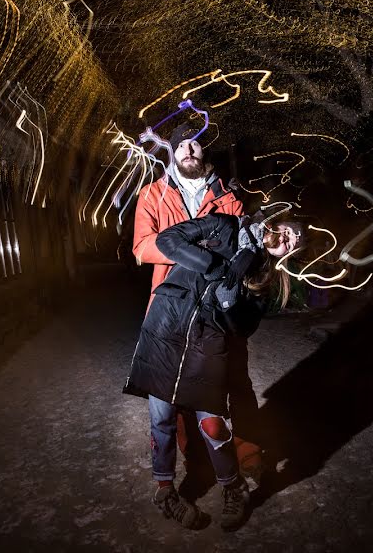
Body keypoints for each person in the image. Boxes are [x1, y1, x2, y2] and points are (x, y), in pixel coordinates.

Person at [123, 212, 301, 531]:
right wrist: (216, 267)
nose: (288, 241)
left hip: (209, 342)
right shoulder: (224, 225)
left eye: (294, 243)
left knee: (212, 423)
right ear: (275, 223)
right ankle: (165, 493)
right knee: (161, 418)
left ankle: (233, 487)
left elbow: (244, 327)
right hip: (167, 327)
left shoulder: (267, 276)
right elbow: (167, 240)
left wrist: (231, 303)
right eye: (289, 231)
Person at [132, 124, 263, 481]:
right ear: (171, 152)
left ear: (203, 152)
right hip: (172, 306)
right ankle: (192, 455)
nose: (189, 150)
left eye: (195, 144)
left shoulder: (227, 196)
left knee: (236, 379)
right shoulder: (153, 195)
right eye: (181, 145)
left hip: (220, 305)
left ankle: (249, 449)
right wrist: (193, 252)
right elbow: (142, 247)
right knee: (172, 388)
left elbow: (243, 245)